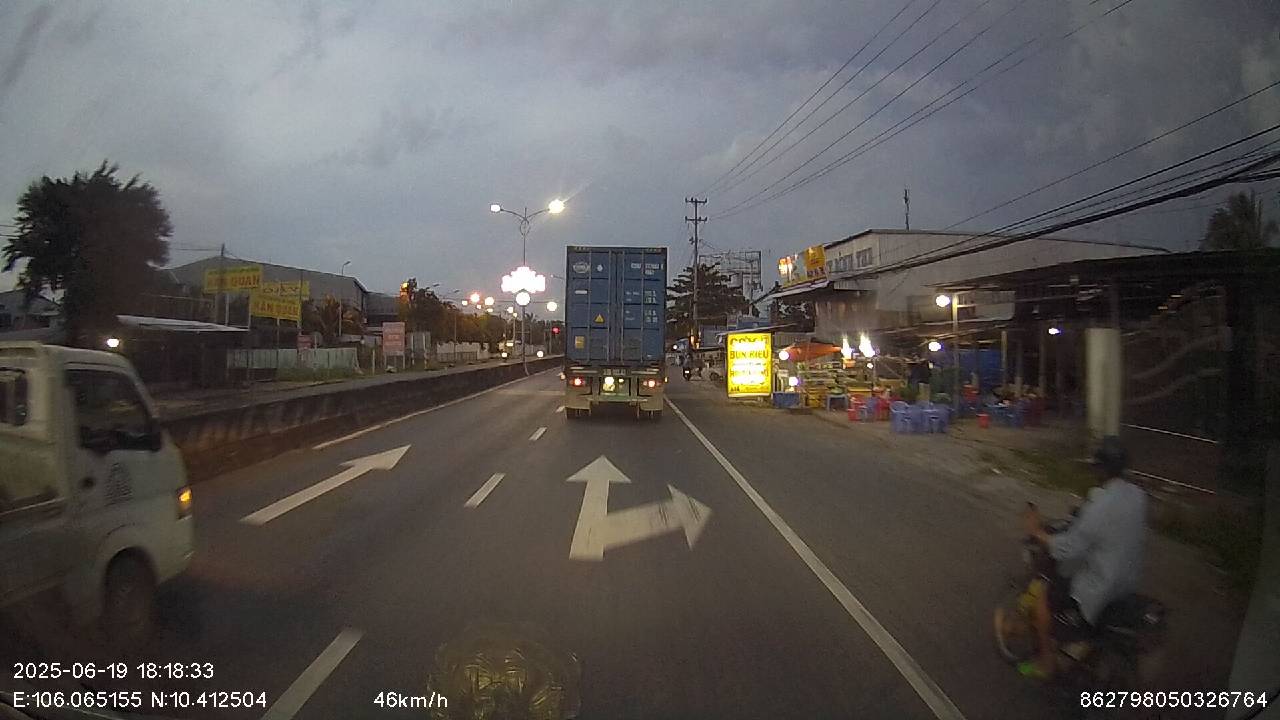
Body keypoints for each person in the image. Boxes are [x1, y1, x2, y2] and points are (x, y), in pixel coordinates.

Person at [1015, 435, 1147, 679]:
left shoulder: (1100, 507)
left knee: (1044, 600)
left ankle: (1046, 664)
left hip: (1100, 587)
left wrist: (1037, 533)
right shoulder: (1138, 495)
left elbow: (1068, 548)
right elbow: (1108, 526)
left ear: (1101, 469)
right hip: (1128, 583)